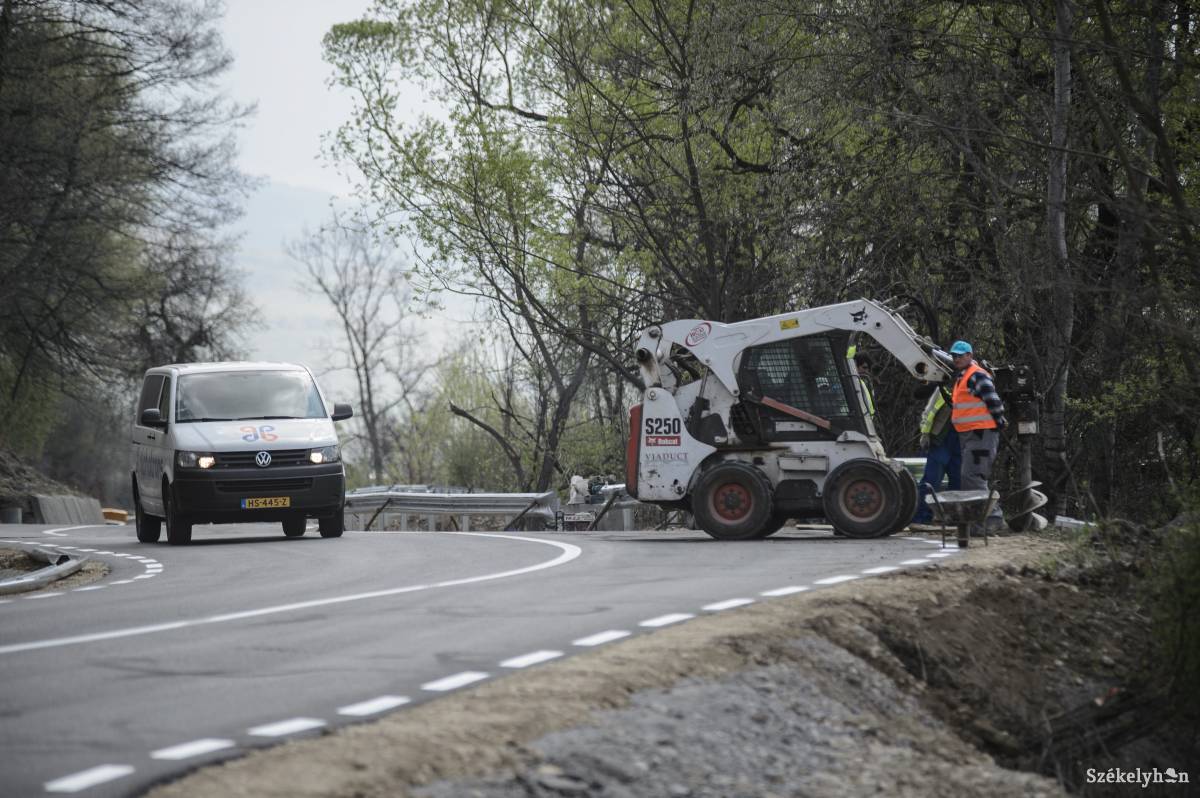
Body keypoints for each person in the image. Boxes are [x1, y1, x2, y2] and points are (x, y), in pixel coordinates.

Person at [948, 340, 1007, 533]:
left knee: (973, 477)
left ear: (970, 356)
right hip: (973, 435)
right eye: (954, 355)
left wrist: (999, 422)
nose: (956, 358)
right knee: (971, 477)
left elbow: (994, 402)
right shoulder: (964, 377)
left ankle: (992, 519)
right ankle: (984, 521)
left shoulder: (976, 376)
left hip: (981, 434)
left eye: (960, 355)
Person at [911, 384, 960, 525]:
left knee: (956, 481)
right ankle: (922, 517)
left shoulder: (954, 387)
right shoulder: (944, 389)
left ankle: (951, 518)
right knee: (932, 481)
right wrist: (926, 433)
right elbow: (930, 412)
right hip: (943, 439)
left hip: (957, 438)